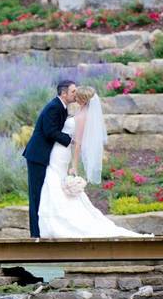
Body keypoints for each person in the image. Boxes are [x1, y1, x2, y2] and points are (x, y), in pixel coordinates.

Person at [37, 86, 152, 238]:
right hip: (58, 151)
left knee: (52, 181)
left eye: (77, 96)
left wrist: (74, 166)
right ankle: (52, 223)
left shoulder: (82, 116)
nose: (75, 97)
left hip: (60, 154)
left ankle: (57, 224)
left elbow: (78, 143)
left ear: (83, 99)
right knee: (53, 182)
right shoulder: (80, 112)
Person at [22, 80, 76, 238]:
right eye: (73, 91)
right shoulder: (54, 107)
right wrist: (69, 140)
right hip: (37, 156)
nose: (75, 94)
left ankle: (41, 230)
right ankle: (35, 234)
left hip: (46, 156)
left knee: (43, 193)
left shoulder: (62, 107)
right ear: (63, 93)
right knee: (36, 194)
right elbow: (49, 131)